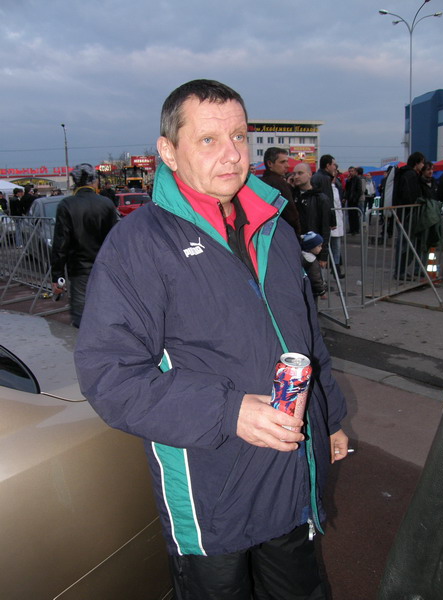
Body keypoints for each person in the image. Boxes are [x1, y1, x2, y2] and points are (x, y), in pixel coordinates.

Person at [74, 79, 348, 600]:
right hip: (211, 489)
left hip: (289, 471)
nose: (231, 154)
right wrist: (229, 411)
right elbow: (109, 375)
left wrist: (330, 417)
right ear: (168, 151)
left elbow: (307, 338)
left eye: (239, 136)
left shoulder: (274, 228)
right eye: (208, 139)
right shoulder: (138, 244)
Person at [51, 163, 118, 328]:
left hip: (79, 269)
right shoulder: (106, 203)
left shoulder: (67, 205)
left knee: (81, 316)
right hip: (105, 268)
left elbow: (61, 244)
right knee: (105, 312)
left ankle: (82, 341)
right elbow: (116, 239)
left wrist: (57, 276)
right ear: (94, 181)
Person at [292, 162, 331, 268]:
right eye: (294, 174)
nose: (296, 176)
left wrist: (323, 255)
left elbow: (325, 228)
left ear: (309, 174)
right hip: (295, 247)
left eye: (300, 173)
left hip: (313, 249)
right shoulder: (291, 196)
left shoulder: (321, 198)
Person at [260, 147, 301, 234]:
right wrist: (297, 233)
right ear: (270, 163)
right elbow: (291, 215)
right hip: (283, 232)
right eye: (282, 162)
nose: (287, 165)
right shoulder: (279, 183)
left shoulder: (260, 183)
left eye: (287, 161)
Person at [311, 154, 337, 228]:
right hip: (323, 218)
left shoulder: (316, 176)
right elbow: (328, 199)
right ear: (328, 165)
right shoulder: (325, 178)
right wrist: (332, 221)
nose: (335, 167)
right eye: (334, 165)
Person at [300, 232, 327, 304]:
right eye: (319, 246)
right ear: (311, 247)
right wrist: (322, 291)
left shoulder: (302, 256)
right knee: (313, 306)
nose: (321, 248)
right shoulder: (312, 261)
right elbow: (316, 278)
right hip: (312, 290)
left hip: (304, 288)